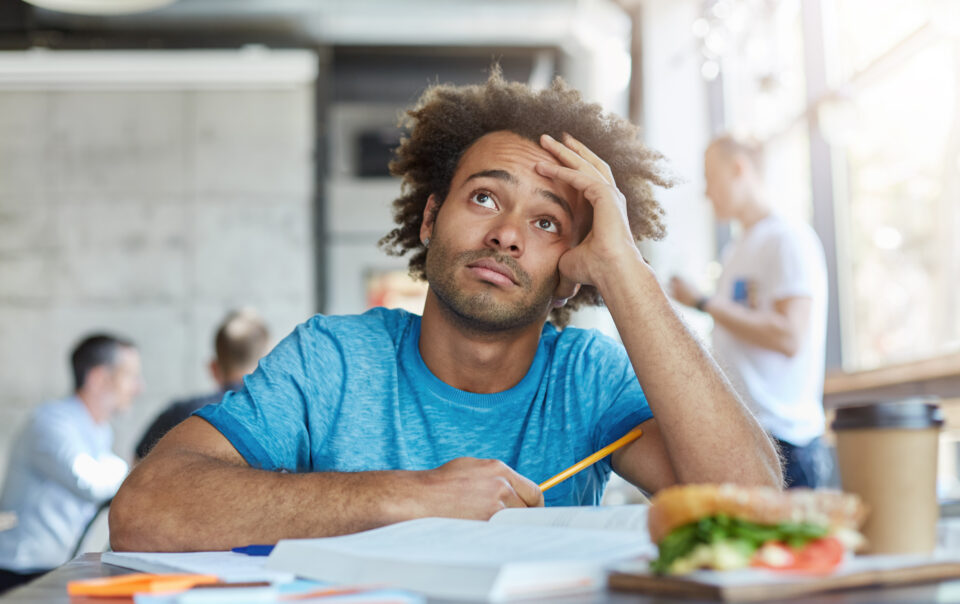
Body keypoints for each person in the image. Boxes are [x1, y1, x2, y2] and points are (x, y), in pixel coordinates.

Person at [110, 70, 781, 553]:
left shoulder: (588, 377)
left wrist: (626, 269)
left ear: (572, 272)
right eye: (486, 198)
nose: (508, 234)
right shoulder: (331, 359)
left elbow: (760, 514)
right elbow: (146, 509)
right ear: (431, 219)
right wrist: (409, 497)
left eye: (548, 223)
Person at [670, 135, 830, 488]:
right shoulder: (737, 250)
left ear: (738, 169)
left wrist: (704, 302)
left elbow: (790, 336)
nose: (706, 192)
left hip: (786, 442)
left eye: (710, 177)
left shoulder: (788, 239)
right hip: (748, 434)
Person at [0, 334, 143, 593]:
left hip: (55, 569)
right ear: (99, 378)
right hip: (22, 572)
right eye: (130, 376)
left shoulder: (98, 429)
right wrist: (137, 474)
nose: (138, 387)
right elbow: (89, 483)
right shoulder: (51, 422)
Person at [135, 309, 270, 460]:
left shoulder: (180, 413)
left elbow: (138, 465)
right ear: (266, 367)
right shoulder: (277, 418)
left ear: (213, 368)